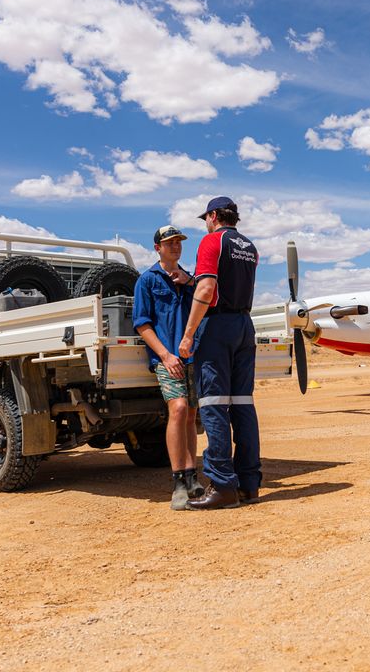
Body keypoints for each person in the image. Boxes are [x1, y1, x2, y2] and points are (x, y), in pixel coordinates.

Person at [177, 196, 261, 509]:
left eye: (206, 219)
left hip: (217, 328)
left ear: (213, 215)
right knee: (242, 405)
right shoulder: (249, 246)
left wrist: (188, 335)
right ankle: (249, 485)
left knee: (213, 405)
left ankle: (223, 485)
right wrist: (192, 279)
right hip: (244, 325)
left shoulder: (212, 241)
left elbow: (208, 289)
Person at [132, 225, 205, 510]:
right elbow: (142, 323)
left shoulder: (191, 280)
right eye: (169, 242)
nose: (175, 246)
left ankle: (192, 477)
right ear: (157, 248)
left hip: (192, 358)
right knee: (177, 410)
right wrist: (165, 356)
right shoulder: (147, 280)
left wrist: (189, 282)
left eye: (178, 242)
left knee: (190, 415)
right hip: (168, 359)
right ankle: (177, 483)